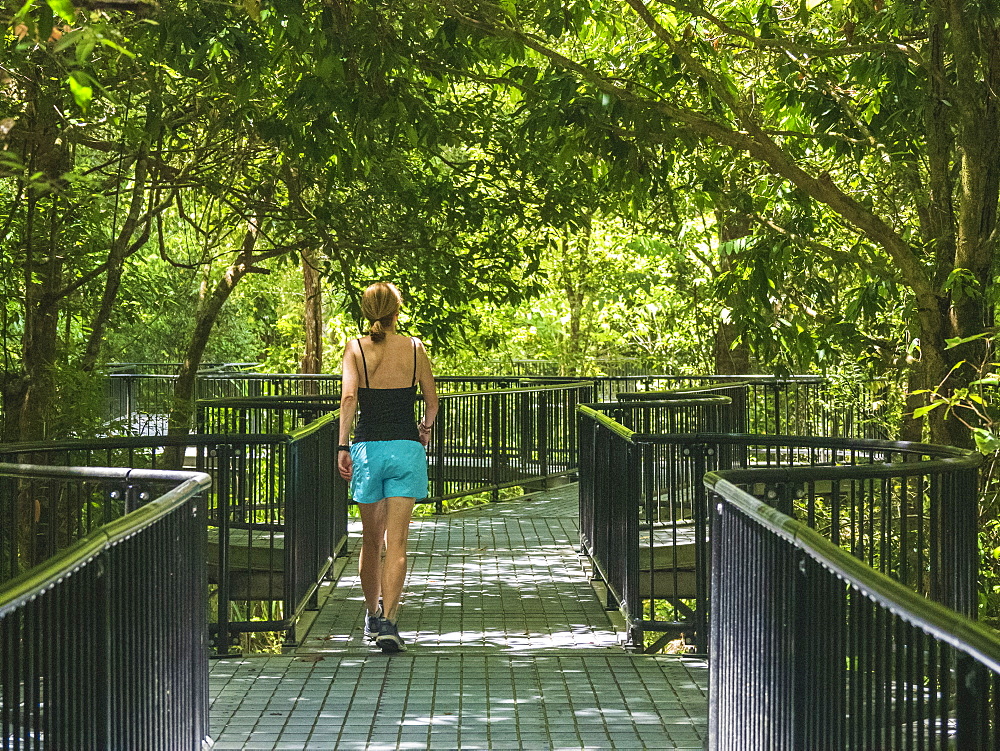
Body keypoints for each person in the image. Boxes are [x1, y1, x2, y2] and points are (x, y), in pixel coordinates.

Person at [337, 282, 438, 653]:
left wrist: (342, 445)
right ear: (398, 311)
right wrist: (424, 428)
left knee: (370, 539)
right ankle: (391, 623)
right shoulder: (414, 348)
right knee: (397, 544)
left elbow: (349, 397)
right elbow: (432, 398)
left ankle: (372, 613)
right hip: (406, 450)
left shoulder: (355, 349)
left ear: (367, 312)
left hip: (366, 451)